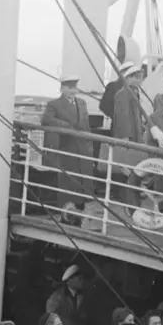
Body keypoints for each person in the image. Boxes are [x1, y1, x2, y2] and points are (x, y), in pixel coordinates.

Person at [40, 74, 94, 223]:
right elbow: (46, 120)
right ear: (62, 88)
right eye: (69, 87)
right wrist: (66, 126)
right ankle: (68, 217)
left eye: (74, 87)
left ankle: (80, 215)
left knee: (84, 183)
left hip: (83, 148)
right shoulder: (54, 104)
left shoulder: (82, 103)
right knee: (69, 182)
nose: (72, 90)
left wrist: (89, 143)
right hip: (68, 148)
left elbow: (86, 124)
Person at [111, 63, 149, 143]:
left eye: (139, 78)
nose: (138, 80)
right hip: (128, 137)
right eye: (136, 78)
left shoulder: (135, 93)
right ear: (127, 78)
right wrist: (125, 136)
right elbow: (123, 116)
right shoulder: (122, 94)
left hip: (136, 134)